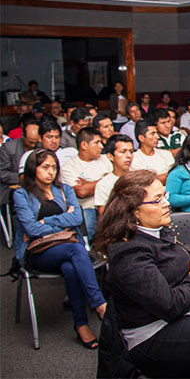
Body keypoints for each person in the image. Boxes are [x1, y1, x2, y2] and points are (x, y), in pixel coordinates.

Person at [93, 170, 190, 378]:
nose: (166, 204)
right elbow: (170, 305)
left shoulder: (158, 231)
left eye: (164, 196)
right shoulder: (129, 253)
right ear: (134, 213)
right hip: (153, 338)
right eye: (157, 200)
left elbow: (187, 253)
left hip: (182, 317)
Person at [13, 148, 107, 349]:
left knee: (70, 267)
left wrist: (45, 221)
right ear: (33, 169)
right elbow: (30, 228)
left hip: (66, 249)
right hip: (37, 252)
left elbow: (77, 218)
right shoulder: (22, 194)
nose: (51, 172)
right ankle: (99, 304)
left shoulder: (65, 189)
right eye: (45, 167)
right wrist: (61, 223)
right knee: (76, 251)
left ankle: (81, 324)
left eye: (54, 167)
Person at [60, 127, 112, 239]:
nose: (101, 146)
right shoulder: (69, 167)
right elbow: (81, 192)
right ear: (84, 145)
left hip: (109, 204)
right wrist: (105, 179)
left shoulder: (105, 159)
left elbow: (117, 181)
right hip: (87, 207)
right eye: (97, 142)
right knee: (87, 228)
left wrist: (89, 184)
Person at [0, 119, 39, 206]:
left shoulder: (39, 147)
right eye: (30, 142)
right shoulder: (8, 148)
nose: (33, 145)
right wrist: (23, 178)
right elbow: (2, 173)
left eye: (35, 142)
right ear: (22, 136)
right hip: (12, 188)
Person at [95, 134, 133, 215]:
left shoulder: (139, 178)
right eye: (123, 152)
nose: (129, 156)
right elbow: (105, 217)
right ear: (110, 156)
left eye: (131, 151)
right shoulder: (103, 184)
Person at [131, 120, 175, 185]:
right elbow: (144, 183)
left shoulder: (166, 154)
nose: (157, 136)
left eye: (157, 133)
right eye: (152, 133)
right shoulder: (134, 158)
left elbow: (174, 177)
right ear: (141, 138)